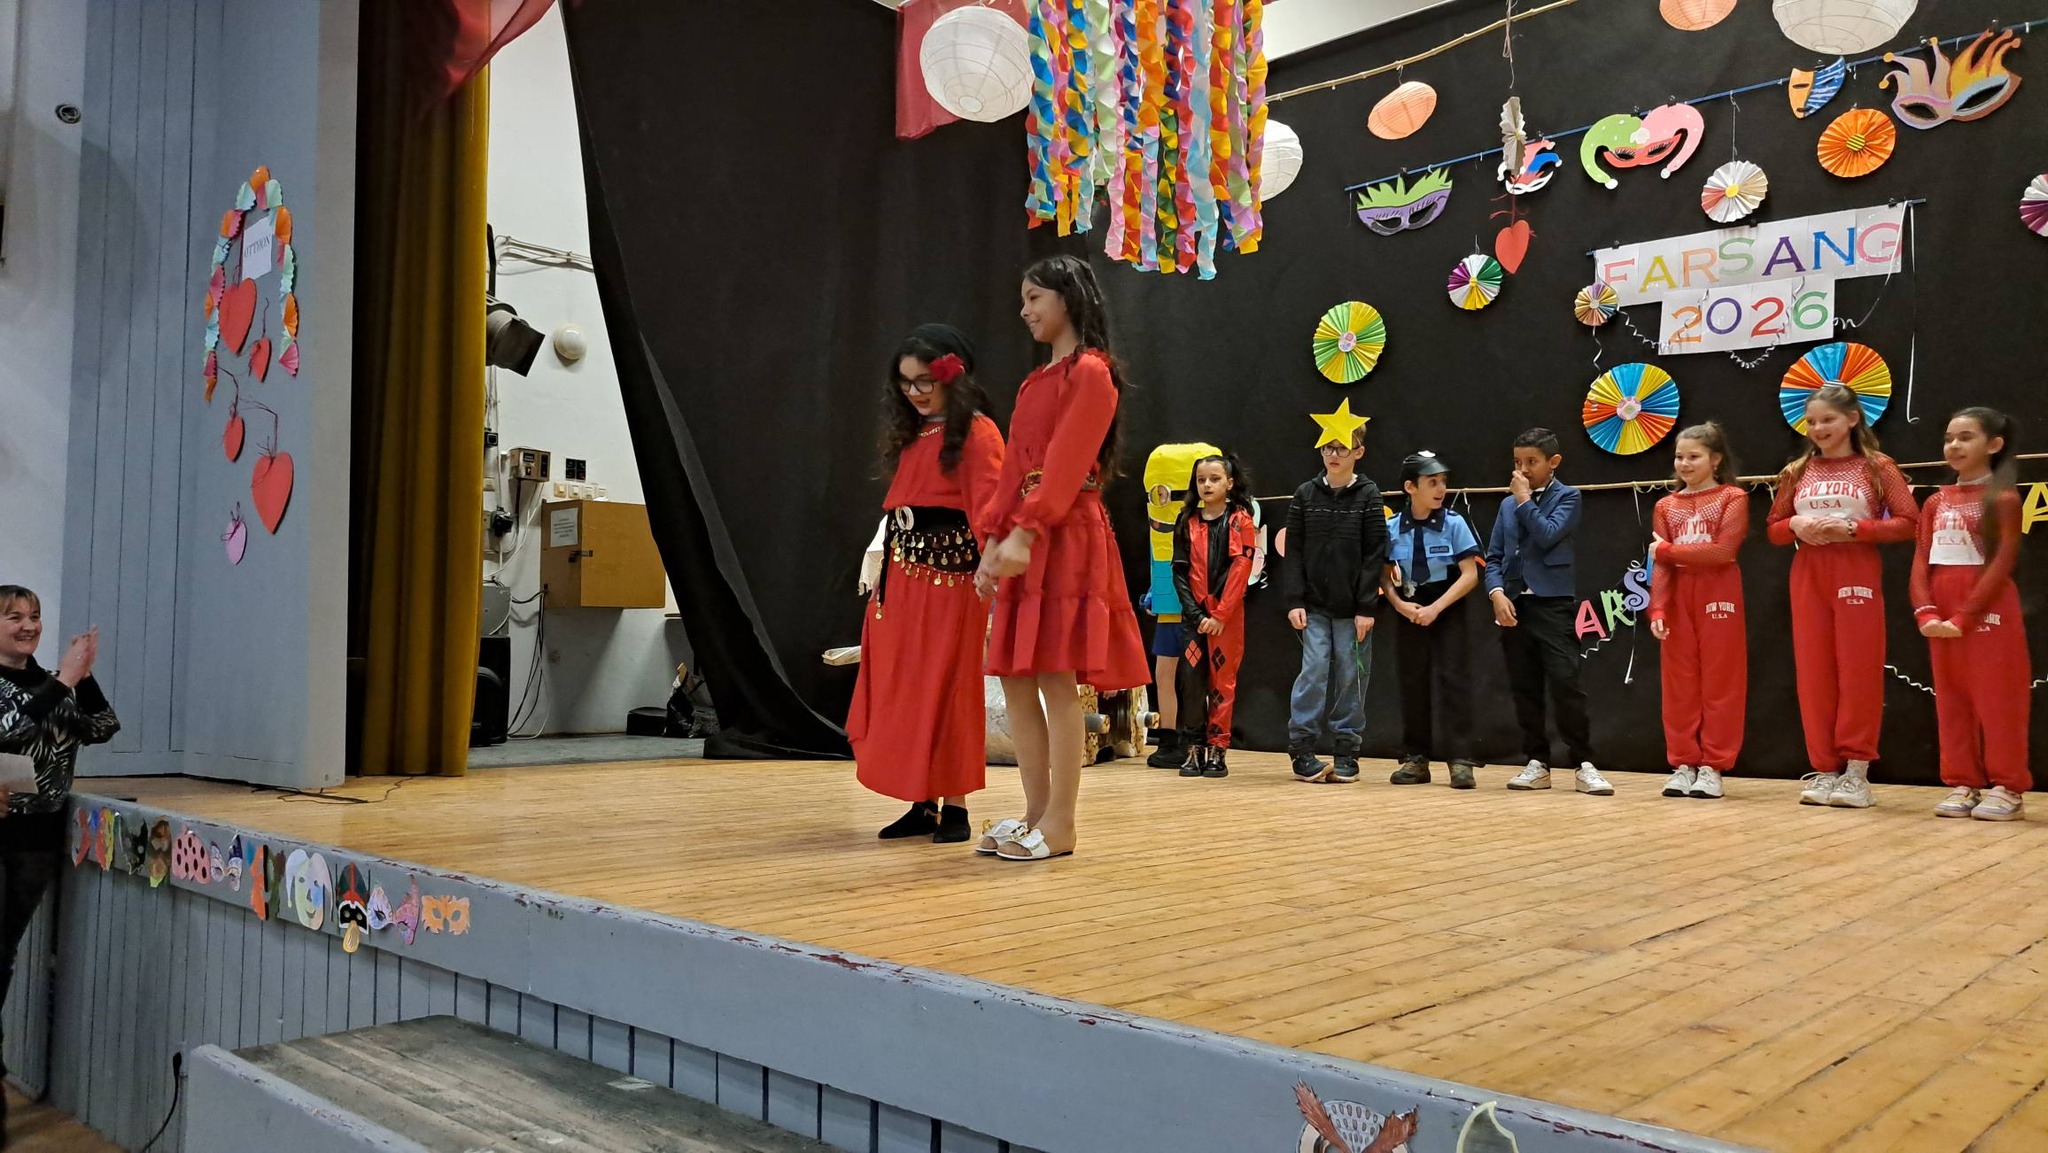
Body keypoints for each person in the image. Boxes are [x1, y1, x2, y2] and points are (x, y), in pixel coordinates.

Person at [973, 256, 1149, 861]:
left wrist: (1027, 530)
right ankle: (1034, 812)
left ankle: (1062, 822)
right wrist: (993, 541)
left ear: (1067, 298)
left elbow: (1069, 461)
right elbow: (1013, 471)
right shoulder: (1033, 383)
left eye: (1034, 297)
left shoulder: (1092, 372)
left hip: (1066, 533)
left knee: (1055, 677)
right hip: (1028, 533)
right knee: (1016, 677)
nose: (1024, 310)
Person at [848, 325, 1007, 844]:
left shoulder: (979, 432)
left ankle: (955, 806)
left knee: (951, 688)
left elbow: (989, 511)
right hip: (902, 580)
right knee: (909, 689)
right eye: (905, 382)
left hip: (954, 583)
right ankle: (922, 802)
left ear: (951, 377)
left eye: (924, 382)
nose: (913, 392)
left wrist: (993, 575)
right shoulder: (913, 435)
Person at [1767, 384, 1918, 809]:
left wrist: (1855, 529)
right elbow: (1774, 528)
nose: (1819, 429)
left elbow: (1909, 522)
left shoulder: (1877, 466)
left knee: (1858, 667)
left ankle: (1856, 771)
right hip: (1808, 573)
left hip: (1856, 570)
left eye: (1828, 420)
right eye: (1811, 422)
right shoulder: (1796, 470)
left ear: (1852, 419)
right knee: (1813, 671)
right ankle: (1825, 768)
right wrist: (1795, 525)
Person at [0, 586, 117, 1127]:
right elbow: (10, 731)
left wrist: (83, 676)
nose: (29, 625)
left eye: (35, 616)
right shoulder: (44, 685)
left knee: (3, 954)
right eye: (14, 616)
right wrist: (64, 681)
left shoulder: (56, 682)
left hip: (36, 837)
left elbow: (103, 728)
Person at [1913, 407, 2029, 821]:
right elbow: (1921, 560)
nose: (1954, 446)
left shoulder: (2004, 498)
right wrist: (1925, 611)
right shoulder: (1935, 501)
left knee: (1997, 698)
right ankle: (1963, 780)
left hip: (1987, 606)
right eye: (1949, 438)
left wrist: (1964, 616)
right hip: (1940, 604)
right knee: (1952, 698)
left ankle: (2008, 785)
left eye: (1965, 437)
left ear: (1994, 445)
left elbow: (2002, 561)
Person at [1485, 428, 1611, 794]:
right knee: (1524, 687)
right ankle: (1537, 761)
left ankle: (1584, 762)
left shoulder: (1567, 497)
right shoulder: (1507, 505)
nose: (1523, 470)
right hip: (1515, 604)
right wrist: (1496, 592)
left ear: (1553, 462)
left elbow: (1547, 534)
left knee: (1565, 683)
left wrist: (1524, 499)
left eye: (1532, 462)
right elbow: (1494, 557)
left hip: (1553, 604)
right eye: (1517, 462)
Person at [1281, 410, 1388, 783]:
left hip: (1353, 608)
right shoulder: (1305, 494)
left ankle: (1346, 747)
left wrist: (1366, 606)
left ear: (1359, 451)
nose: (1334, 454)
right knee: (1313, 671)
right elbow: (1293, 551)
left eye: (1342, 447)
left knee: (1350, 673)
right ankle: (1302, 747)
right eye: (1328, 446)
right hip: (1313, 605)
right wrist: (1294, 600)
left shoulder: (1369, 495)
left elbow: (1375, 554)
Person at [1647, 422, 1749, 800]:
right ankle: (1683, 763)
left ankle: (1713, 766)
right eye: (1679, 457)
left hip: (1719, 593)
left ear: (1715, 459)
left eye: (1694, 457)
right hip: (1678, 596)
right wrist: (1658, 607)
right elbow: (1661, 565)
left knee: (1721, 681)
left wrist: (1668, 551)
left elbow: (1723, 552)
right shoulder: (1665, 505)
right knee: (1679, 684)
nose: (1684, 464)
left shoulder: (1733, 498)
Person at [1380, 451, 1484, 789]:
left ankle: (1461, 759)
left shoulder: (1454, 523)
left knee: (1454, 679)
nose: (1441, 489)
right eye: (1432, 482)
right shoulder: (1392, 528)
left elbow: (1469, 575)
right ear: (1410, 487)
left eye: (1443, 482)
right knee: (1412, 681)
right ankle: (1416, 758)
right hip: (1410, 606)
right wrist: (1399, 604)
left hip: (1446, 604)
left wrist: (1436, 608)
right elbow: (1384, 576)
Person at [1170, 453, 1258, 779]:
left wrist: (1220, 614)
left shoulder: (1240, 521)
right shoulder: (1186, 521)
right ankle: (1193, 747)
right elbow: (1179, 571)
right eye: (1201, 480)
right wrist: (1195, 615)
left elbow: (1241, 569)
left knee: (1223, 682)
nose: (1207, 485)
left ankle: (1218, 748)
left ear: (1230, 483)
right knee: (1192, 682)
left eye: (1214, 479)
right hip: (1194, 619)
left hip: (1226, 618)